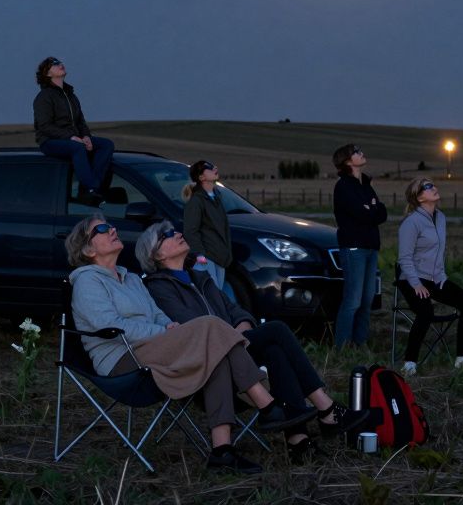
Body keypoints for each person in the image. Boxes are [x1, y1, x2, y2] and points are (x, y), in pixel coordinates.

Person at [67, 214, 315, 474]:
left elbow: (156, 313)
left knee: (214, 354)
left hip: (154, 347)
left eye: (110, 226)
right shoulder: (87, 280)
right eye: (103, 229)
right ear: (88, 248)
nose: (112, 230)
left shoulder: (129, 278)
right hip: (122, 359)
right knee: (210, 326)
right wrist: (163, 330)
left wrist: (168, 327)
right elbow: (110, 325)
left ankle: (222, 451)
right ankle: (265, 403)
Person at [138, 221, 366, 462]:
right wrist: (236, 335)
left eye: (176, 230)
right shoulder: (159, 287)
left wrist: (243, 325)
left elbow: (235, 310)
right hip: (208, 361)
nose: (178, 234)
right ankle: (326, 410)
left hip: (236, 347)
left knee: (275, 350)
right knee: (276, 332)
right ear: (156, 254)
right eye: (168, 235)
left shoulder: (200, 277)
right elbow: (193, 325)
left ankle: (300, 441)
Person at [395, 177, 463, 375]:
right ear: (419, 198)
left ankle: (462, 357)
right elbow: (404, 259)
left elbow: (439, 252)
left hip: (435, 279)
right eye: (428, 187)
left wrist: (442, 276)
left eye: (433, 184)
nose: (434, 188)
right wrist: (417, 284)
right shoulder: (411, 223)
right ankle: (410, 362)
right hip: (411, 279)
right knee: (425, 312)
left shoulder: (441, 218)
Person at [33, 57, 114, 201]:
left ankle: (89, 187)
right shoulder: (44, 97)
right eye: (55, 64)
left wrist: (86, 137)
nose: (60, 65)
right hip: (50, 142)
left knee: (106, 145)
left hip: (75, 139)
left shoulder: (71, 96)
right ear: (47, 74)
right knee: (77, 148)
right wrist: (70, 137)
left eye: (60, 62)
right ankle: (91, 188)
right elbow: (44, 126)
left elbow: (81, 122)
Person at [330, 143, 387, 349]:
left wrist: (371, 210)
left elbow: (382, 212)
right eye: (356, 152)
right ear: (347, 161)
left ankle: (360, 344)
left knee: (366, 300)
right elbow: (363, 214)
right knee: (352, 300)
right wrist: (371, 210)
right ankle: (342, 347)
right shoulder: (344, 187)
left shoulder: (366, 185)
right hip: (354, 248)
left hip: (371, 247)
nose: (361, 153)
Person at [182, 160, 235, 301]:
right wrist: (200, 257)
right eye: (209, 168)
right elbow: (190, 231)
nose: (214, 168)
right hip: (207, 259)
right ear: (201, 177)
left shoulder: (217, 198)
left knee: (219, 298)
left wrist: (227, 255)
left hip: (220, 258)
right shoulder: (196, 202)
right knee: (212, 299)